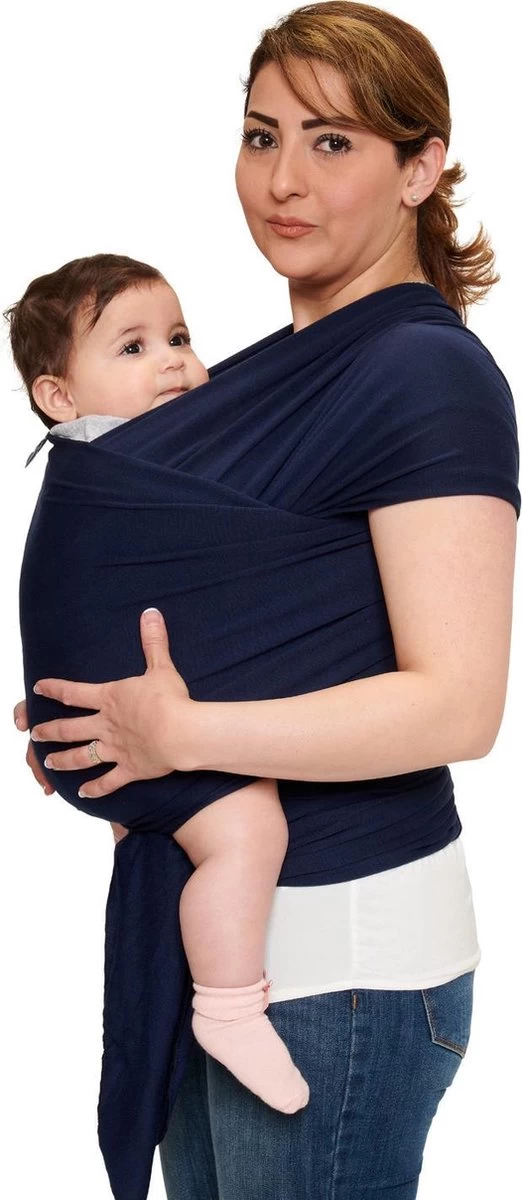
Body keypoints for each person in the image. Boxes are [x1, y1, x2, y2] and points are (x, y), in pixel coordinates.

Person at [14, 3, 519, 1198]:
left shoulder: (425, 373)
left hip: (342, 960)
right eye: (261, 135)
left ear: (420, 169)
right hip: (219, 945)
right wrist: (102, 727)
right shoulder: (259, 373)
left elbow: (458, 706)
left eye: (332, 141)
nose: (282, 179)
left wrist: (178, 735)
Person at [7, 252, 310, 1115]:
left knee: (199, 834)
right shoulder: (115, 464)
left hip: (90, 723)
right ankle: (228, 1005)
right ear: (60, 397)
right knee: (249, 828)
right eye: (133, 347)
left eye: (179, 337)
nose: (174, 361)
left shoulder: (132, 456)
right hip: (107, 725)